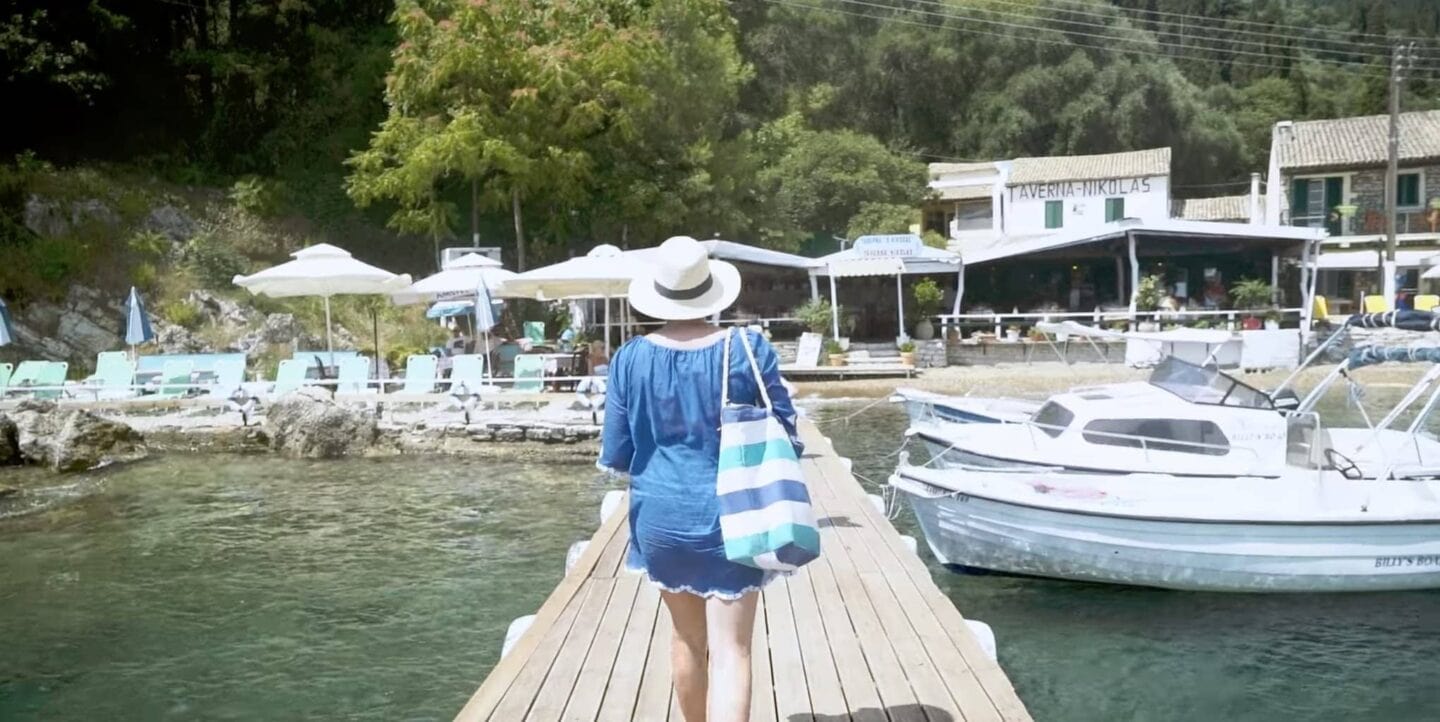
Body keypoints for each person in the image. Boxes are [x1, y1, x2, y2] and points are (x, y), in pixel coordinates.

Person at [599, 236, 801, 722]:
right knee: (732, 649)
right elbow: (789, 434)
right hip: (734, 511)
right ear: (711, 292)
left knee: (687, 639)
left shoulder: (629, 358)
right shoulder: (747, 348)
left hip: (659, 515)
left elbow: (617, 452)